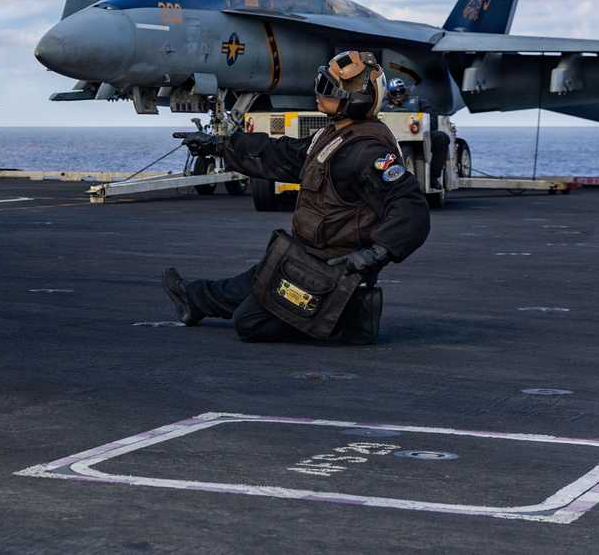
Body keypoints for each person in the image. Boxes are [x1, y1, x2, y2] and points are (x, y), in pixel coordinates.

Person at [161, 50, 430, 345]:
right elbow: (283, 155)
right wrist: (220, 146)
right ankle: (194, 300)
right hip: (310, 256)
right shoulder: (335, 135)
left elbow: (411, 208)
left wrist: (372, 255)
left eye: (327, 89)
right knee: (265, 274)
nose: (318, 94)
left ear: (356, 100)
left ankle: (350, 318)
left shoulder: (367, 152)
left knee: (249, 321)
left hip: (336, 270)